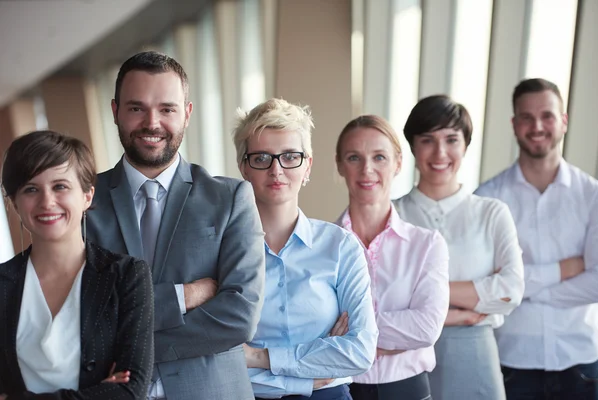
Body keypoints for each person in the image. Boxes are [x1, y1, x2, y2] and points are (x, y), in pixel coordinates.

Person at [85, 51, 265, 400]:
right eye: (136, 108)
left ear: (187, 113)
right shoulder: (83, 202)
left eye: (166, 109)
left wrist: (132, 347)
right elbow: (86, 316)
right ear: (115, 111)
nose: (152, 123)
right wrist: (186, 296)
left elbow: (240, 316)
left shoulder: (230, 199)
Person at [233, 98, 378, 399]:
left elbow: (360, 352)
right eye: (262, 158)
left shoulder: (340, 247)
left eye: (289, 157)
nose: (276, 170)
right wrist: (311, 366)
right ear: (244, 167)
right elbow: (220, 360)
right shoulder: (224, 253)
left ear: (307, 165)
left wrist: (258, 357)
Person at [0, 130, 154, 399]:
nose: (47, 202)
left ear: (87, 196)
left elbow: (131, 391)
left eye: (60, 186)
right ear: (14, 203)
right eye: (31, 189)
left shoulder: (127, 276)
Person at [475, 78, 598, 399]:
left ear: (564, 121)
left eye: (547, 115)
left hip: (582, 363)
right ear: (514, 124)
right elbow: (487, 287)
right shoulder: (488, 200)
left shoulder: (593, 196)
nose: (537, 126)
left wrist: (521, 289)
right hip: (513, 363)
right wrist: (564, 270)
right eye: (527, 117)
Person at [394, 95, 525, 399]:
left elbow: (510, 290)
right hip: (402, 352)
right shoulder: (393, 215)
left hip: (475, 351)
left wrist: (421, 293)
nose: (440, 152)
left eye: (452, 139)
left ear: (465, 145)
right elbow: (382, 300)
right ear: (412, 146)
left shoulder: (492, 212)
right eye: (427, 139)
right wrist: (468, 302)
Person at [333, 115, 450, 400]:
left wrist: (352, 334)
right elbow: (313, 331)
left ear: (398, 163)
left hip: (407, 389)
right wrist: (393, 336)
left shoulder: (427, 245)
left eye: (379, 157)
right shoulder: (321, 247)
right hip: (339, 389)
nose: (367, 169)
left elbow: (426, 329)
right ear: (339, 165)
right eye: (354, 158)